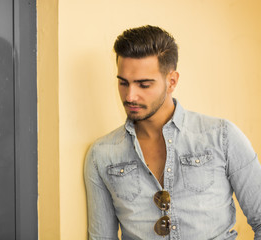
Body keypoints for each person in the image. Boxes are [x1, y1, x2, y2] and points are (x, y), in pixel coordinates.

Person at [84, 25, 261, 240]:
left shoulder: (221, 136)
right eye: (123, 83)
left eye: (144, 85)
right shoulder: (102, 155)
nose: (130, 96)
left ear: (172, 81)